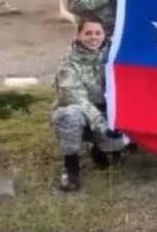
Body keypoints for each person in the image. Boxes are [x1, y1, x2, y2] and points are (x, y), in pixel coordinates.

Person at [51, 15, 126, 191]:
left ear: (104, 34)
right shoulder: (69, 63)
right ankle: (71, 167)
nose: (93, 37)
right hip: (82, 112)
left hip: (108, 111)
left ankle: (100, 148)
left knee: (116, 148)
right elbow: (74, 97)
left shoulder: (114, 55)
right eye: (88, 33)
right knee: (69, 115)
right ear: (78, 35)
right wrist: (102, 126)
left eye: (98, 33)